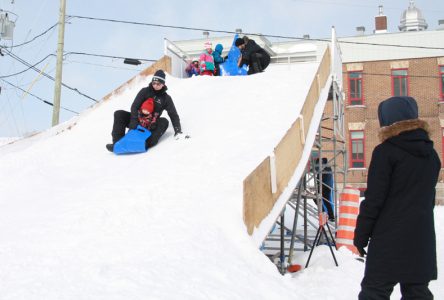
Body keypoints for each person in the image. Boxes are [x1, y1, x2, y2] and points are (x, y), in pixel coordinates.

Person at [353, 96, 440, 300]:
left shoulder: (385, 152)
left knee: (374, 292)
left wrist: (361, 235)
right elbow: (428, 197)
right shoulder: (432, 155)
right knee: (417, 293)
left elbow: (374, 199)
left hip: (388, 238)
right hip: (421, 237)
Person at [106, 69, 184, 152]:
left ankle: (144, 144)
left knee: (164, 121)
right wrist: (134, 123)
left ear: (163, 84)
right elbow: (134, 107)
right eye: (154, 83)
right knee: (119, 114)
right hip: (138, 120)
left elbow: (173, 114)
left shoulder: (166, 98)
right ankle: (118, 143)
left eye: (158, 84)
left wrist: (178, 130)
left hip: (150, 124)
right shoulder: (145, 91)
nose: (155, 85)